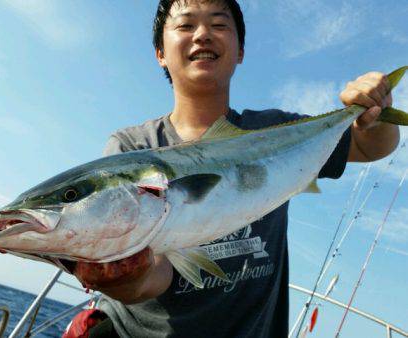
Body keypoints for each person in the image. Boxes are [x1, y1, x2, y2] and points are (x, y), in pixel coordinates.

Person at [73, 1, 399, 337]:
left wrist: (373, 114)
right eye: (186, 26)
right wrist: (129, 278)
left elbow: (369, 146)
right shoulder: (133, 147)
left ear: (241, 51)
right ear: (160, 52)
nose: (202, 35)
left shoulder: (274, 129)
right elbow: (153, 278)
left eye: (218, 24)